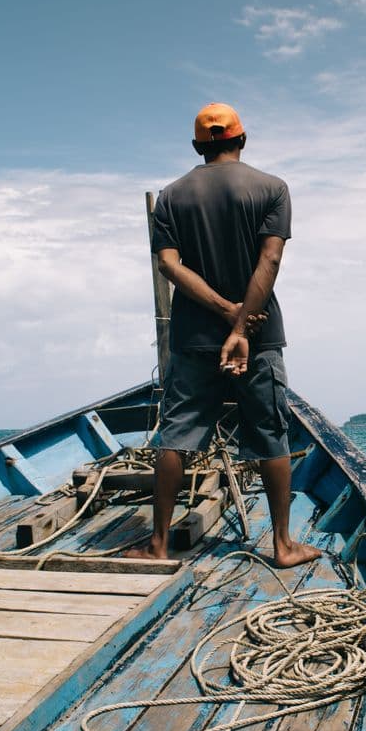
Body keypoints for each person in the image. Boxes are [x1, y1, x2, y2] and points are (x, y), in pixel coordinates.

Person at [133, 102, 321, 568]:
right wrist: (241, 324)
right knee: (269, 431)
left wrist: (221, 311)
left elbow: (168, 265)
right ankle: (282, 545)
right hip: (258, 332)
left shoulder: (172, 196)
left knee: (176, 435)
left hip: (193, 333)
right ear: (242, 138)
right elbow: (270, 261)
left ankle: (157, 545)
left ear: (198, 146)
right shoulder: (273, 188)